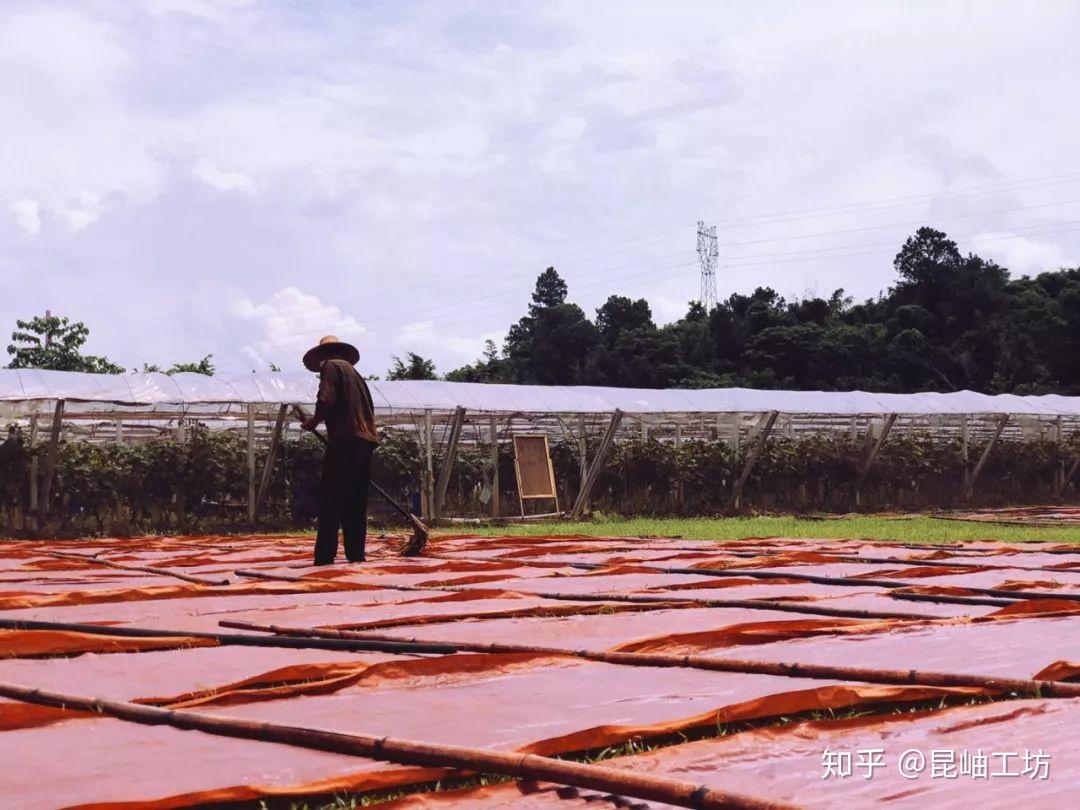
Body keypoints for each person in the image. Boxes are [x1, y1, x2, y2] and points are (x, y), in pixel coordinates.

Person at [300, 335, 379, 565]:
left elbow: (326, 398)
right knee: (355, 501)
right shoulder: (356, 375)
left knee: (331, 499)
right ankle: (356, 554)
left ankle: (325, 557)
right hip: (364, 442)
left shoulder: (331, 366)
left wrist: (313, 421)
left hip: (345, 441)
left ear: (323, 356)